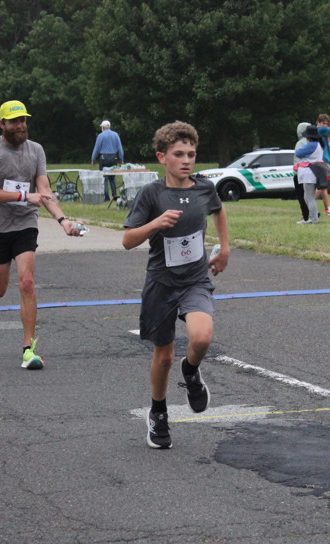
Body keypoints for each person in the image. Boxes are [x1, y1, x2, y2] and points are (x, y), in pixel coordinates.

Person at [122, 121, 230, 449]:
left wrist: (224, 248)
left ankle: (192, 371)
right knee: (164, 355)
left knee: (202, 337)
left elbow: (219, 211)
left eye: (191, 154)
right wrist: (155, 223)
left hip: (195, 279)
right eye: (178, 154)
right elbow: (128, 240)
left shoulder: (204, 188)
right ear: (162, 157)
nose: (186, 160)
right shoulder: (152, 193)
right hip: (162, 283)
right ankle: (158, 412)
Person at [0, 100, 80, 368]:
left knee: (27, 282)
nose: (20, 125)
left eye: (23, 120)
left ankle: (28, 350)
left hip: (25, 224)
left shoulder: (36, 150)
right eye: (14, 121)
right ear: (2, 124)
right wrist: (23, 196)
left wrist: (63, 220)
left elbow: (44, 191)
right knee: (1, 287)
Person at [293, 125, 324, 224]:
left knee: (309, 197)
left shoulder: (311, 145)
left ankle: (314, 219)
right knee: (307, 197)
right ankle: (313, 217)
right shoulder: (318, 144)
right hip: (314, 171)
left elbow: (298, 153)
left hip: (309, 173)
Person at [91, 119, 124, 201]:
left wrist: (93, 159)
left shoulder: (101, 136)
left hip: (104, 157)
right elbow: (119, 148)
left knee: (104, 178)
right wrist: (121, 159)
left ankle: (106, 197)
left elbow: (97, 148)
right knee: (112, 177)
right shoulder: (116, 135)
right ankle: (114, 195)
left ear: (103, 127)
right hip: (114, 157)